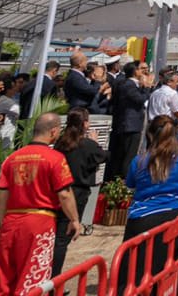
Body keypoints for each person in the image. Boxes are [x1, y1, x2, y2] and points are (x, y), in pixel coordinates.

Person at [0, 113, 81, 296]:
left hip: (12, 220)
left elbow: (3, 195)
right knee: (33, 275)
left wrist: (3, 222)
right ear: (53, 132)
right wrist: (74, 219)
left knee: (3, 275)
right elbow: (64, 194)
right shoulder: (55, 158)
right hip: (40, 221)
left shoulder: (12, 158)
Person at [120, 115, 178, 293]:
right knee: (164, 270)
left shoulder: (139, 161)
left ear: (150, 135)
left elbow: (130, 183)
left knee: (131, 274)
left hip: (143, 218)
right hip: (175, 215)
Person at [51, 108, 108, 276]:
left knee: (57, 237)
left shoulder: (61, 143)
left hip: (59, 190)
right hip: (78, 194)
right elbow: (103, 155)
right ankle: (53, 280)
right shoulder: (88, 145)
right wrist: (96, 142)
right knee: (62, 238)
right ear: (84, 124)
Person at [109, 61, 154, 180]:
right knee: (128, 155)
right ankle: (124, 181)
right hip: (129, 125)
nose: (143, 72)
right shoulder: (128, 84)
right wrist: (147, 88)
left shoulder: (129, 84)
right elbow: (140, 99)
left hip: (130, 124)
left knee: (125, 154)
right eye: (141, 69)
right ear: (135, 71)